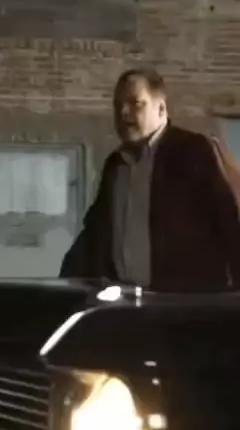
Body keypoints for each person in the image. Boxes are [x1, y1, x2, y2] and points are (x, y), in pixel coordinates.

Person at [60, 68, 240, 291]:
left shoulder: (191, 151)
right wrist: (66, 283)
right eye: (118, 106)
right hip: (128, 299)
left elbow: (226, 218)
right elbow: (96, 231)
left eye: (135, 103)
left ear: (161, 108)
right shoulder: (116, 165)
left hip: (184, 300)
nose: (124, 112)